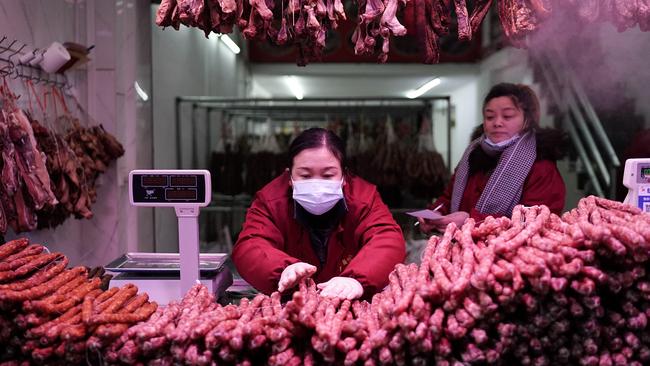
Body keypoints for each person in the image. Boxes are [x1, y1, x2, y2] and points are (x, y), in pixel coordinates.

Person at [232, 128, 405, 300]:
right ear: (290, 177)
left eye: (328, 175)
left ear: (344, 176)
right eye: (305, 175)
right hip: (291, 303)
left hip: (353, 303)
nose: (316, 184)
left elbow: (387, 238)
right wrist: (282, 269)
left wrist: (357, 279)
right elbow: (250, 244)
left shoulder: (363, 198)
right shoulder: (271, 201)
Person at [419, 83, 567, 233]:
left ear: (527, 120)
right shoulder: (472, 157)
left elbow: (535, 221)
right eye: (490, 117)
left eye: (507, 116)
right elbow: (448, 198)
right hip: (462, 249)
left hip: (509, 253)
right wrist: (435, 214)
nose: (497, 123)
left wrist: (471, 221)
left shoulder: (540, 166)